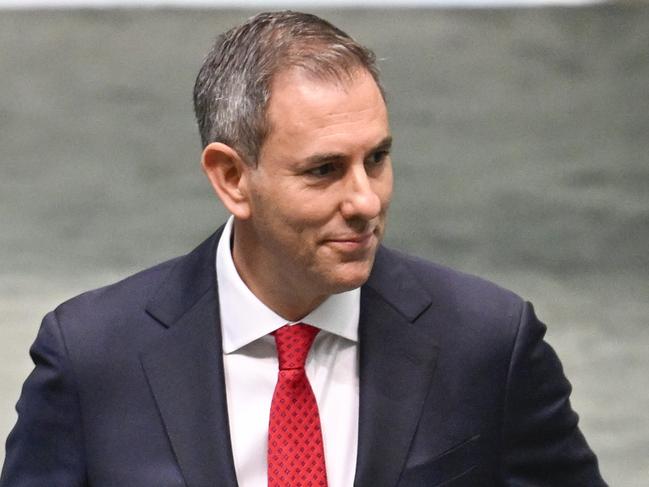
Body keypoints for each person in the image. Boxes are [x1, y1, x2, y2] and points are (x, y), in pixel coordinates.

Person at [1, 10, 606, 487]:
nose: (366, 201)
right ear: (232, 178)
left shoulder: (489, 342)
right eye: (324, 170)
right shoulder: (92, 356)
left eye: (377, 159)